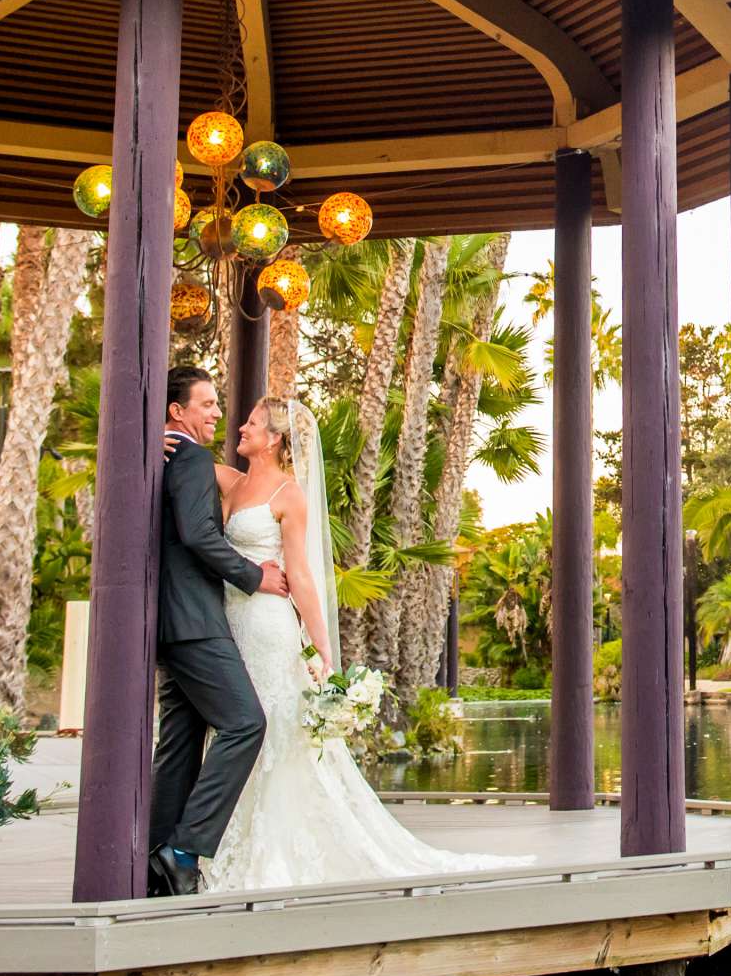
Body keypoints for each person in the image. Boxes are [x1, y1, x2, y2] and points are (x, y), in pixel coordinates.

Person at [199, 394, 531, 891]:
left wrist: (322, 650)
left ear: (274, 439)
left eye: (251, 423)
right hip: (229, 622)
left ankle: (275, 849)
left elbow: (303, 577)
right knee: (237, 726)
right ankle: (222, 838)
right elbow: (186, 461)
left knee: (274, 726)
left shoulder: (287, 494)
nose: (239, 427)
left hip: (268, 625)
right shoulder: (231, 481)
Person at [145, 366, 286, 898]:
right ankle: (183, 849)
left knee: (179, 742)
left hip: (170, 623)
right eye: (206, 404)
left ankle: (155, 865)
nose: (216, 414)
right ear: (177, 411)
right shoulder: (190, 456)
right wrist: (255, 576)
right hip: (196, 621)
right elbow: (199, 534)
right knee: (247, 723)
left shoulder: (164, 452)